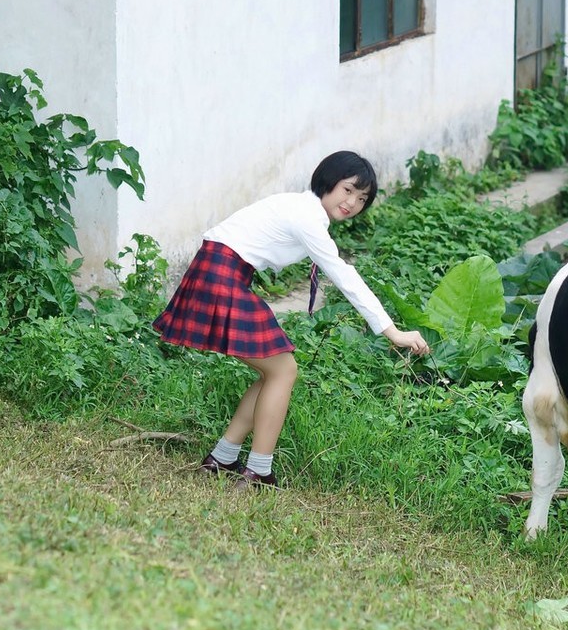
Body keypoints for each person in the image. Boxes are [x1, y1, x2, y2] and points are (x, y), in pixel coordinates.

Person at [153, 150, 431, 490]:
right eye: (348, 190)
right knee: (283, 370)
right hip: (222, 274)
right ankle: (258, 472)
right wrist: (393, 332)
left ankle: (222, 458)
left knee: (276, 372)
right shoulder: (306, 216)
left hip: (219, 270)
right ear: (328, 180)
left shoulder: (301, 209)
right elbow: (344, 275)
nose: (352, 203)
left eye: (362, 199)